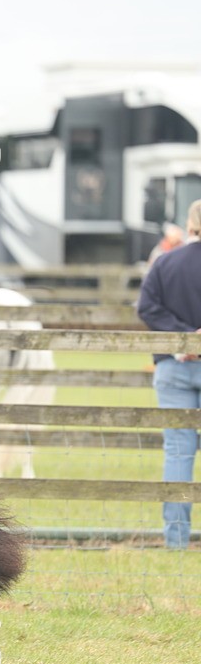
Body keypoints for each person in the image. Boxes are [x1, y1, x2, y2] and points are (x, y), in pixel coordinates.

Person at [137, 199, 201, 550]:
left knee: (178, 452)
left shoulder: (165, 262)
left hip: (174, 366)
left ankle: (176, 541)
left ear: (189, 225)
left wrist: (183, 337)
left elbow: (146, 307)